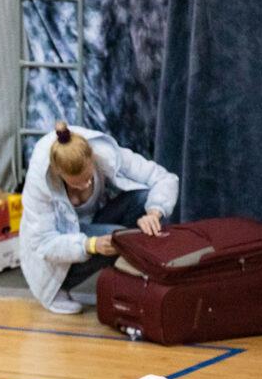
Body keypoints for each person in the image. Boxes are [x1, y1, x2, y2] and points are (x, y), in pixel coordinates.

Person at [21, 121, 178, 314]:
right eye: (77, 184)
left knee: (143, 198)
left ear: (92, 157)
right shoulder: (39, 182)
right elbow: (42, 243)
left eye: (89, 178)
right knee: (117, 237)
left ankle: (136, 281)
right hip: (59, 249)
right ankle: (61, 287)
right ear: (58, 174)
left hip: (92, 222)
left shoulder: (104, 152)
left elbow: (165, 178)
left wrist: (154, 212)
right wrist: (91, 245)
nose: (86, 185)